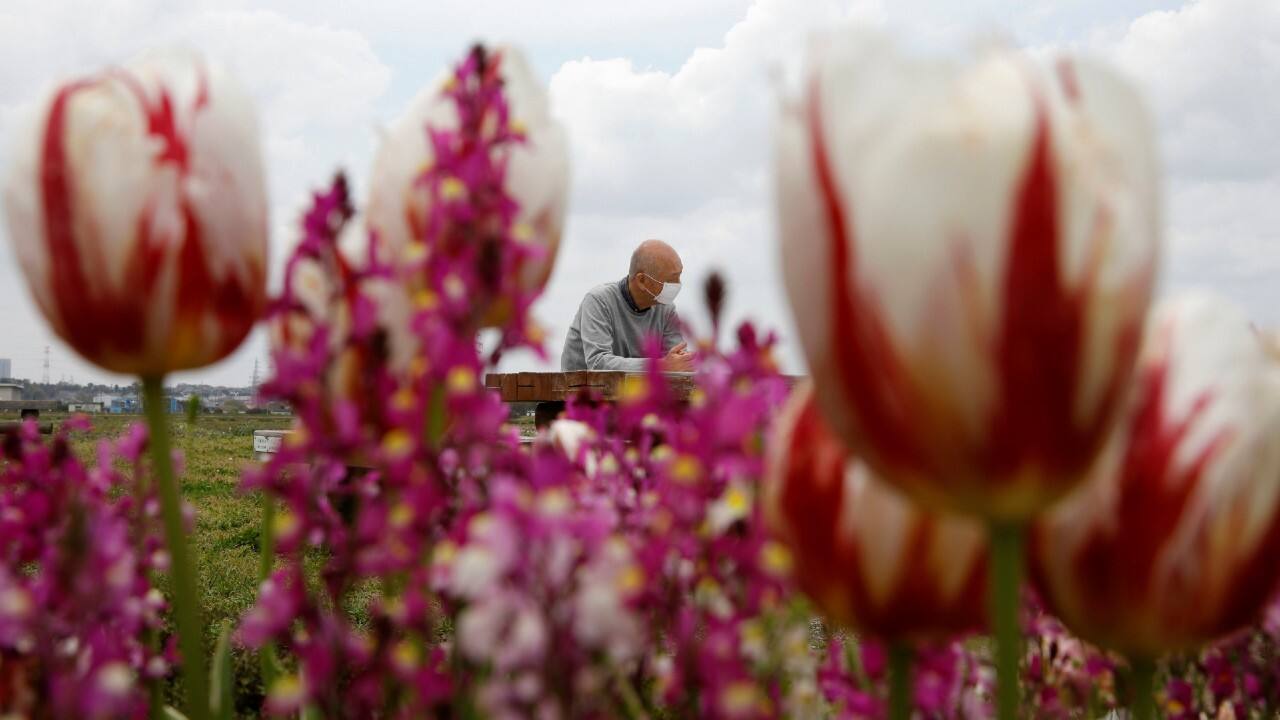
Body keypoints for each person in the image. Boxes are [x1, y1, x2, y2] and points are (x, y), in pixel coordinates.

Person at [561, 239, 694, 372]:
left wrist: (684, 362)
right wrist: (661, 366)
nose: (678, 284)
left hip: (632, 390)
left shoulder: (666, 309)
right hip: (580, 389)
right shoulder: (599, 301)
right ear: (642, 280)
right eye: (671, 279)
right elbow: (597, 363)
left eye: (679, 276)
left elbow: (676, 362)